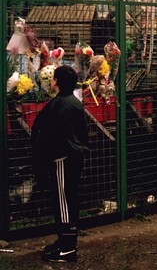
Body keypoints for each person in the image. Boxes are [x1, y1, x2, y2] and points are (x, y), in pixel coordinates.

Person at [31, 65, 89, 263]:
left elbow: (49, 133)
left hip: (62, 157)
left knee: (63, 201)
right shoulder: (74, 102)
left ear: (56, 81)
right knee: (68, 198)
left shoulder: (59, 104)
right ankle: (65, 241)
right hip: (73, 155)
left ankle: (68, 247)